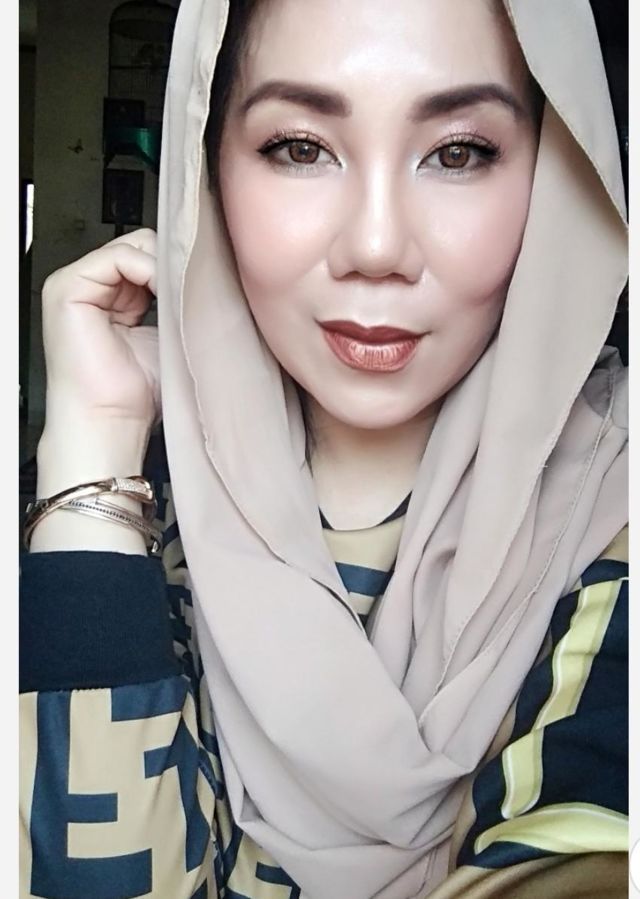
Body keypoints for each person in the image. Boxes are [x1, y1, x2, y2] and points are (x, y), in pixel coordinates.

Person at [20, 0, 628, 897]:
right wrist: (92, 453)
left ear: (555, 172)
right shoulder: (128, 503)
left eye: (459, 152)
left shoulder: (616, 504)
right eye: (300, 148)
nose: (376, 248)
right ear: (208, 174)